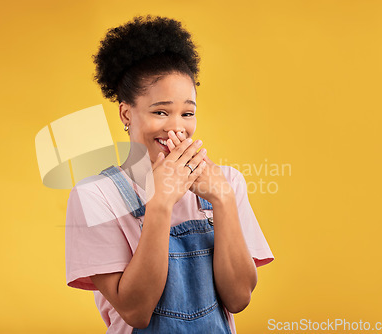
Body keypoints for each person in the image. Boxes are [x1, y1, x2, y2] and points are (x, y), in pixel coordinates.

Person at [65, 15, 274, 333]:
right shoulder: (95, 196)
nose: (176, 126)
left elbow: (239, 298)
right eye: (160, 111)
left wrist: (223, 199)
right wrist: (160, 203)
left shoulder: (227, 182)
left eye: (187, 113)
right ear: (126, 113)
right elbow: (136, 311)